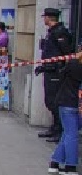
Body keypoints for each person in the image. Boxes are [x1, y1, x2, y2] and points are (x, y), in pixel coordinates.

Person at [36, 8, 75, 143]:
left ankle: (60, 130)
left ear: (49, 18)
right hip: (49, 70)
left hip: (56, 72)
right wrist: (42, 66)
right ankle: (54, 127)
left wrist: (62, 69)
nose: (44, 19)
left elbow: (67, 53)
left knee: (54, 102)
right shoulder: (52, 32)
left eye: (45, 17)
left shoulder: (60, 32)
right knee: (49, 100)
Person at [48, 45, 82, 175]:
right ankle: (63, 164)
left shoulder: (72, 63)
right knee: (70, 133)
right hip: (76, 104)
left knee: (69, 133)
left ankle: (63, 164)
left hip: (66, 101)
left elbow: (61, 75)